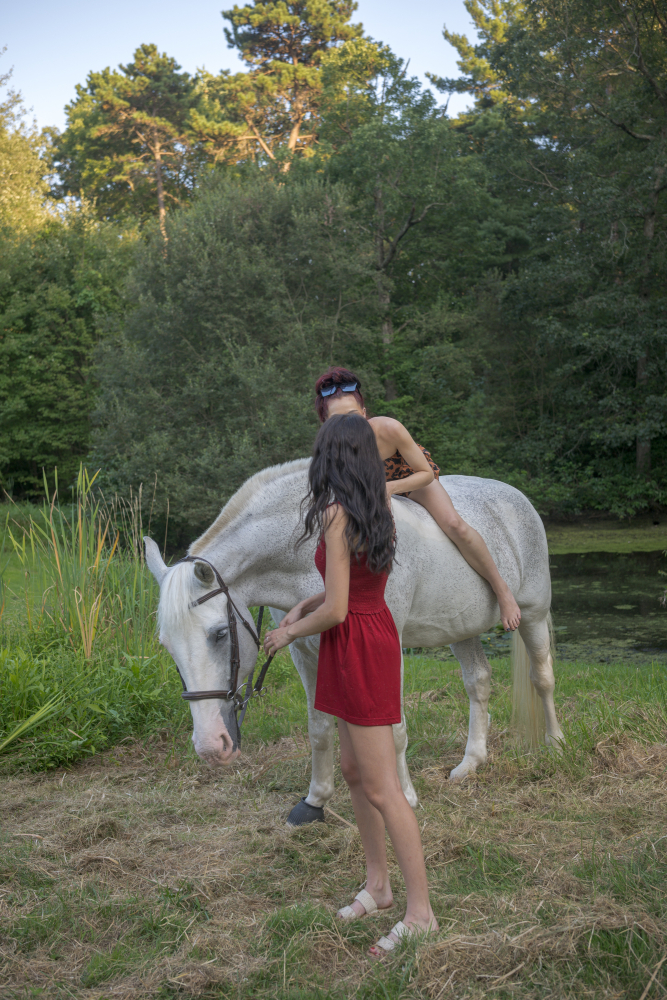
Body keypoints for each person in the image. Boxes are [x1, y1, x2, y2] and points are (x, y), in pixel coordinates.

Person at [263, 413, 438, 957]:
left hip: (359, 642)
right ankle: (378, 885)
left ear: (331, 459)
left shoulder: (339, 512)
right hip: (360, 635)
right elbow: (349, 585)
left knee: (383, 787)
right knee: (353, 770)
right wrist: (306, 602)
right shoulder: (371, 503)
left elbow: (340, 608)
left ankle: (421, 914)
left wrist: (287, 632)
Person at [314, 367, 521, 632]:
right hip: (372, 487)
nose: (348, 425)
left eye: (353, 415)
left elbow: (425, 473)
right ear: (325, 423)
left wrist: (389, 488)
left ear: (364, 413)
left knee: (454, 524)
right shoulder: (329, 448)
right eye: (337, 418)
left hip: (409, 476)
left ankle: (502, 590)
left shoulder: (389, 429)